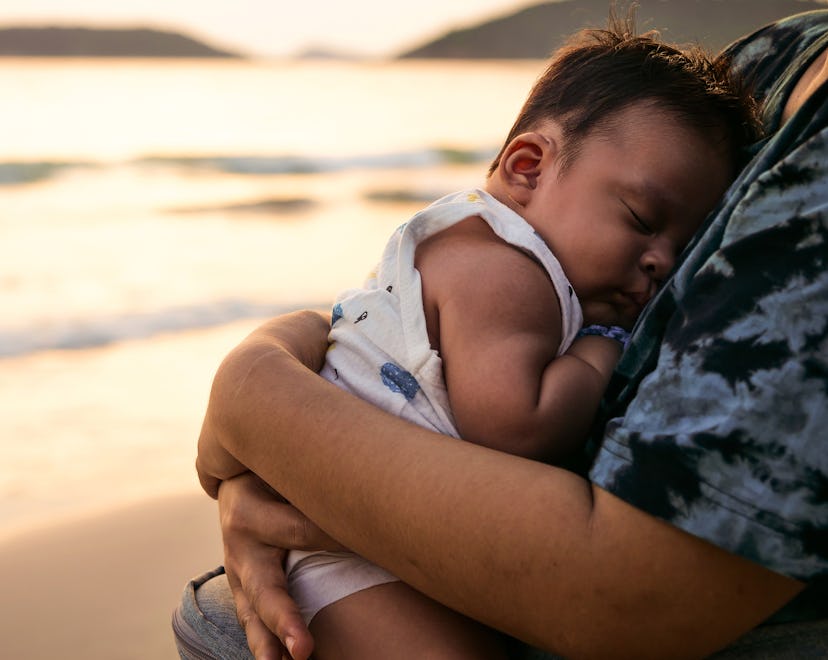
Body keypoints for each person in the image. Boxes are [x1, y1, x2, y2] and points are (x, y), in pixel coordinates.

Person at [174, 8, 828, 660]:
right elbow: (515, 423)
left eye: (682, 246)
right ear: (526, 167)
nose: (662, 262)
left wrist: (259, 402)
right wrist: (601, 347)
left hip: (403, 514)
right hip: (363, 552)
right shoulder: (509, 272)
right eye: (640, 218)